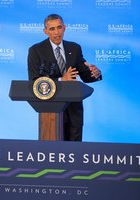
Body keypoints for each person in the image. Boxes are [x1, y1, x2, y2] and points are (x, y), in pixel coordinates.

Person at [27, 14, 102, 142]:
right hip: (51, 110)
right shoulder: (36, 50)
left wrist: (95, 73)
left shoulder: (74, 48)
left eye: (59, 27)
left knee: (74, 150)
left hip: (74, 110)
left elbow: (84, 74)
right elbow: (35, 82)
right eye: (52, 29)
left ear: (64, 28)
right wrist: (62, 80)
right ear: (45, 31)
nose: (56, 32)